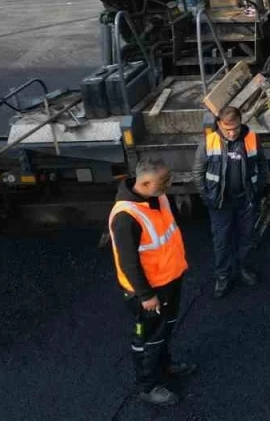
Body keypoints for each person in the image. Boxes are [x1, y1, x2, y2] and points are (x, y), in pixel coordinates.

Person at [108, 158, 194, 407]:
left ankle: (164, 365)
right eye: (163, 181)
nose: (168, 185)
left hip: (169, 281)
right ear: (145, 182)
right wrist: (146, 295)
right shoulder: (126, 217)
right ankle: (148, 386)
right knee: (148, 338)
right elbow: (129, 263)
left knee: (164, 329)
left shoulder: (157, 198)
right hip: (150, 291)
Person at [193, 106, 265, 298]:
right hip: (219, 203)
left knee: (247, 237)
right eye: (227, 129)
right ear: (219, 124)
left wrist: (258, 190)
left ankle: (243, 268)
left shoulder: (252, 139)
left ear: (241, 123)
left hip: (246, 200)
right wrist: (206, 197)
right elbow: (198, 172)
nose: (232, 133)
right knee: (221, 241)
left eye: (236, 128)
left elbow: (261, 164)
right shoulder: (209, 142)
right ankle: (223, 276)